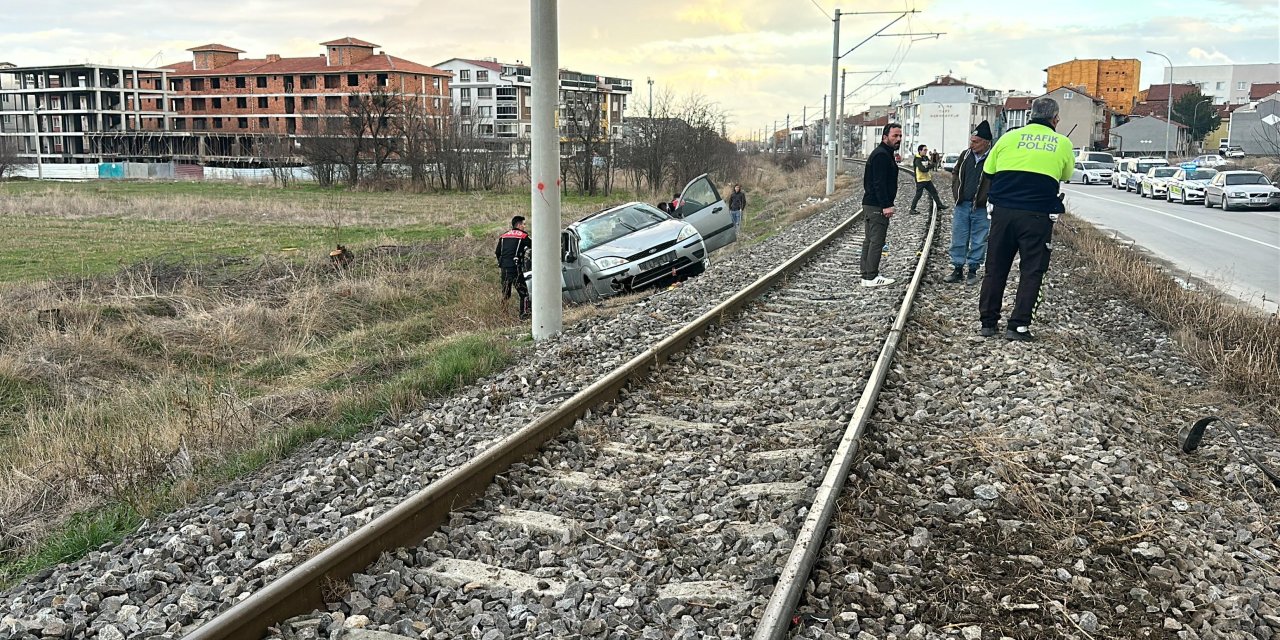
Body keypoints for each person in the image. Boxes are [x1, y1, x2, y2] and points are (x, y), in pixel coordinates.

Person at [977, 97, 1074, 341]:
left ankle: (988, 323)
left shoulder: (1008, 138)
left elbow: (988, 171)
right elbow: (1066, 174)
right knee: (1032, 270)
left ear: (1030, 115)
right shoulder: (1062, 143)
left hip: (1002, 213)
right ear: (1055, 119)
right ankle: (1018, 326)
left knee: (995, 268)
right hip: (1037, 216)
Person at [945, 121, 994, 285]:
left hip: (981, 207)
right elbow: (955, 172)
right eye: (971, 141)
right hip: (963, 204)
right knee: (958, 237)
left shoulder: (993, 157)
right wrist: (956, 191)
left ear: (986, 142)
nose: (972, 144)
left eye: (976, 142)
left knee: (979, 239)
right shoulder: (965, 155)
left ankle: (973, 270)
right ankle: (957, 269)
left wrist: (990, 198)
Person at [860, 122, 903, 288]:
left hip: (871, 204)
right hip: (877, 205)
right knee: (877, 241)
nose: (898, 139)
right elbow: (879, 183)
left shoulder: (884, 153)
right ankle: (871, 276)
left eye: (900, 136)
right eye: (895, 136)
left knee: (870, 240)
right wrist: (886, 204)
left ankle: (866, 276)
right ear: (885, 137)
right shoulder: (881, 155)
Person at [495, 215, 532, 320]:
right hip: (515, 269)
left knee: (505, 294)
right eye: (524, 224)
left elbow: (497, 252)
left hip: (504, 269)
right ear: (519, 225)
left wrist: (502, 263)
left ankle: (503, 316)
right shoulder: (523, 236)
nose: (524, 226)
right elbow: (535, 246)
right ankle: (524, 316)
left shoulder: (503, 236)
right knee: (524, 293)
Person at [910, 144, 946, 214]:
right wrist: (928, 167)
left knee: (934, 192)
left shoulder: (925, 157)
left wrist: (927, 167)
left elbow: (932, 164)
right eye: (924, 150)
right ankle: (912, 209)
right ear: (920, 151)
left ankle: (939, 205)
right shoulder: (917, 159)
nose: (926, 151)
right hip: (920, 180)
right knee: (918, 195)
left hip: (927, 179)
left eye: (926, 150)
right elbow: (922, 169)